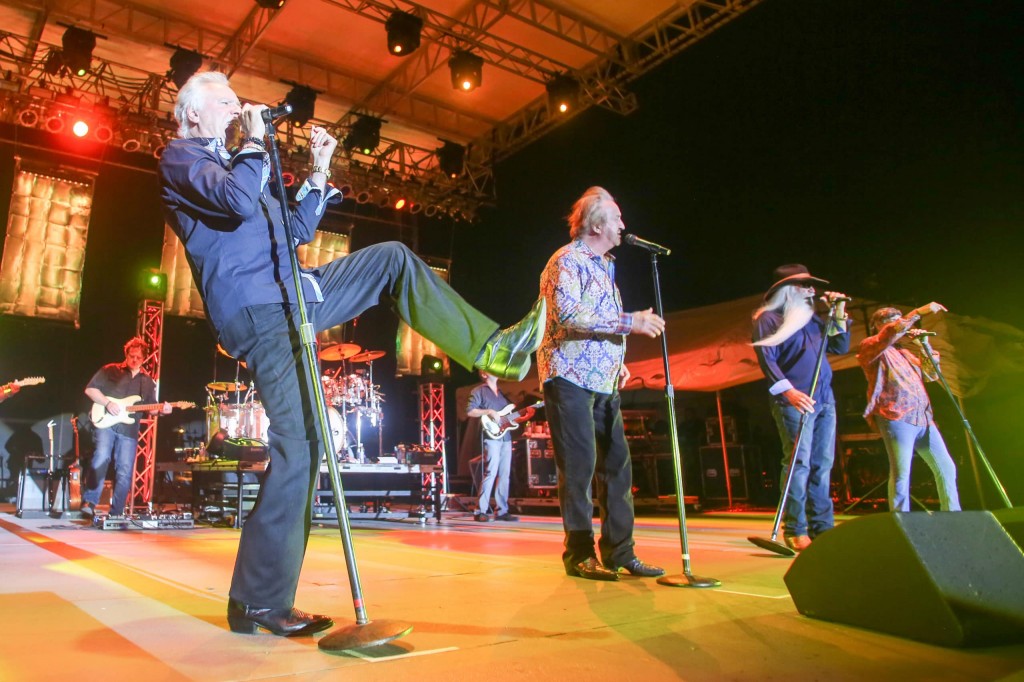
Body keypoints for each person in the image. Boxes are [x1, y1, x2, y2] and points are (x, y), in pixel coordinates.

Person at [159, 71, 545, 637]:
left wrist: (318, 172)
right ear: (194, 113)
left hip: (295, 292)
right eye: (226, 102)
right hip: (260, 310)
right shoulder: (183, 157)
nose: (238, 108)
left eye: (238, 102)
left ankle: (493, 347)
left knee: (391, 257)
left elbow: (292, 229)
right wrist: (253, 141)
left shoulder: (244, 164)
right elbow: (238, 203)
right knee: (301, 447)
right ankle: (258, 601)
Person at [538, 186, 666, 581]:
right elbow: (568, 314)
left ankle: (620, 552)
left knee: (617, 468)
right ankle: (579, 554)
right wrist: (631, 321)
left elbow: (596, 322)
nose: (623, 224)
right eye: (617, 218)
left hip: (603, 378)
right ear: (596, 225)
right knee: (579, 469)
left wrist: (616, 361)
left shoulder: (604, 266)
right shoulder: (566, 260)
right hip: (569, 376)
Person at [752, 264, 850, 552]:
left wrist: (839, 312)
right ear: (786, 290)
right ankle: (795, 528)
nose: (811, 290)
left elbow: (840, 347)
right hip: (794, 401)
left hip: (824, 399)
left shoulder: (812, 319)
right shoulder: (769, 318)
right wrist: (789, 392)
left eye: (811, 285)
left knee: (823, 464)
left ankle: (823, 526)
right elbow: (767, 359)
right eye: (804, 285)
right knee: (799, 463)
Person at [857, 304, 960, 512]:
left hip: (923, 418)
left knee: (946, 467)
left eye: (899, 319)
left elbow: (930, 375)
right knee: (902, 472)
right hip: (895, 416)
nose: (898, 324)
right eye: (891, 321)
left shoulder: (904, 353)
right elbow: (891, 333)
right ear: (878, 325)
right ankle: (901, 519)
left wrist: (924, 345)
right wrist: (918, 313)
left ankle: (953, 515)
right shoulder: (871, 347)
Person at [83, 337, 172, 518]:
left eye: (139, 357)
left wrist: (163, 411)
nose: (134, 360)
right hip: (105, 423)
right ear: (126, 354)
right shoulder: (110, 370)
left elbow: (151, 409)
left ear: (144, 359)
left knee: (125, 470)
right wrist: (107, 403)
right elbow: (90, 390)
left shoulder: (147, 382)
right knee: (102, 456)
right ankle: (89, 502)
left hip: (129, 430)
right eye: (132, 356)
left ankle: (116, 513)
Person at [466, 371, 517, 522]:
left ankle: (502, 511)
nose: (496, 371)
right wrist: (489, 411)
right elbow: (470, 411)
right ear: (484, 374)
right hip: (492, 437)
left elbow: (507, 419)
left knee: (504, 474)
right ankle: (480, 511)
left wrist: (524, 415)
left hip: (506, 438)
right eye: (491, 369)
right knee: (491, 472)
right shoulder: (479, 391)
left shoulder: (502, 394)